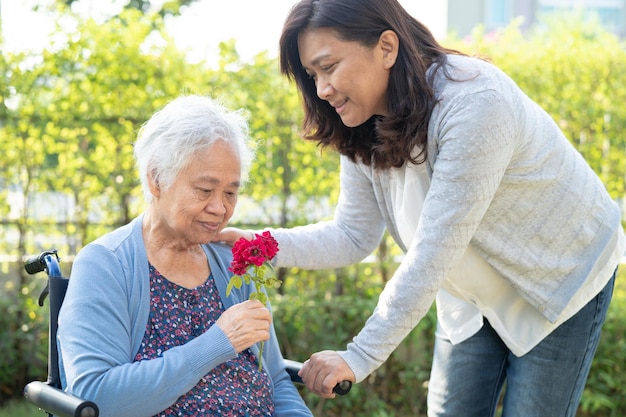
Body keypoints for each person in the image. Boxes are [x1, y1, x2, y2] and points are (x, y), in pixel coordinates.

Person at [215, 1, 626, 416]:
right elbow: (352, 235)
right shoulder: (359, 123)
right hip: (467, 294)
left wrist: (358, 357)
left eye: (330, 66)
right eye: (312, 74)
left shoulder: (475, 103)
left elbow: (430, 255)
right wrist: (257, 245)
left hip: (556, 276)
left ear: (387, 47)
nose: (321, 89)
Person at [57, 95, 313, 417]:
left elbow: (275, 380)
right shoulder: (105, 265)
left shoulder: (234, 263)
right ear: (157, 179)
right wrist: (216, 343)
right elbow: (97, 397)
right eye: (205, 190)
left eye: (231, 193)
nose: (220, 208)